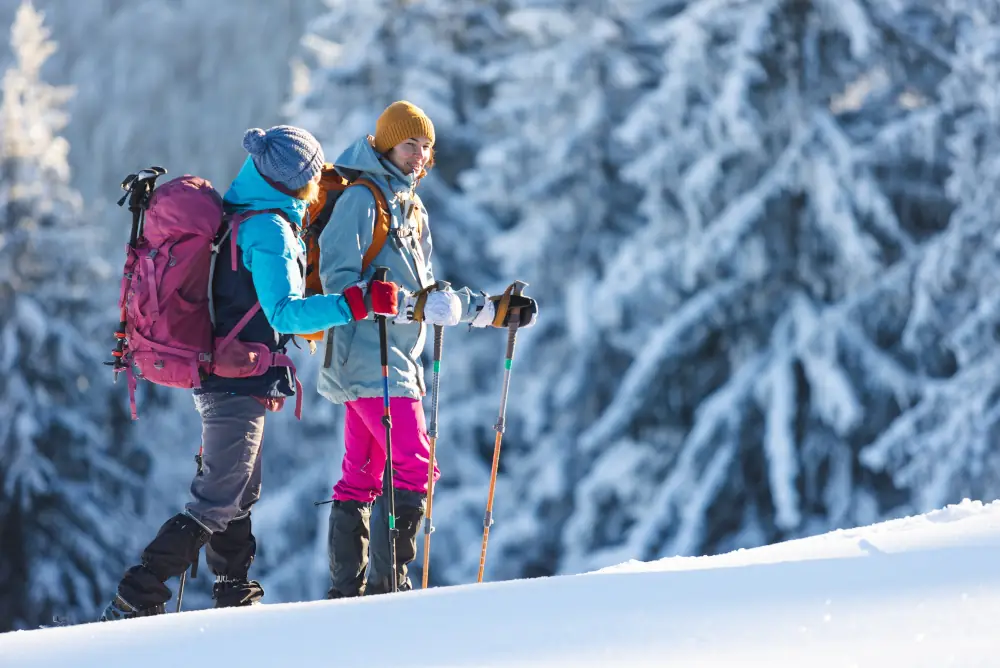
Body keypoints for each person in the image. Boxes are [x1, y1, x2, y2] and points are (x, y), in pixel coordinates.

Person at [100, 125, 400, 620]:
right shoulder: (269, 230)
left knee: (239, 489)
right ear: (294, 183)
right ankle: (138, 593)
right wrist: (358, 303)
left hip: (231, 373)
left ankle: (232, 588)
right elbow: (285, 312)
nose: (318, 187)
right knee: (217, 498)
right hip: (234, 381)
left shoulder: (243, 212)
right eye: (313, 178)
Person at [317, 101, 538, 597]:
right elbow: (338, 281)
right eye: (409, 143)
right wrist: (405, 308)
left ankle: (346, 592)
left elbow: (426, 292)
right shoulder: (360, 200)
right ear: (385, 144)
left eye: (425, 146)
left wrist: (491, 310)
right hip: (366, 356)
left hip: (396, 360)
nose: (418, 154)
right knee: (415, 464)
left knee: (363, 472)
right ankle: (385, 587)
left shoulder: (411, 207)